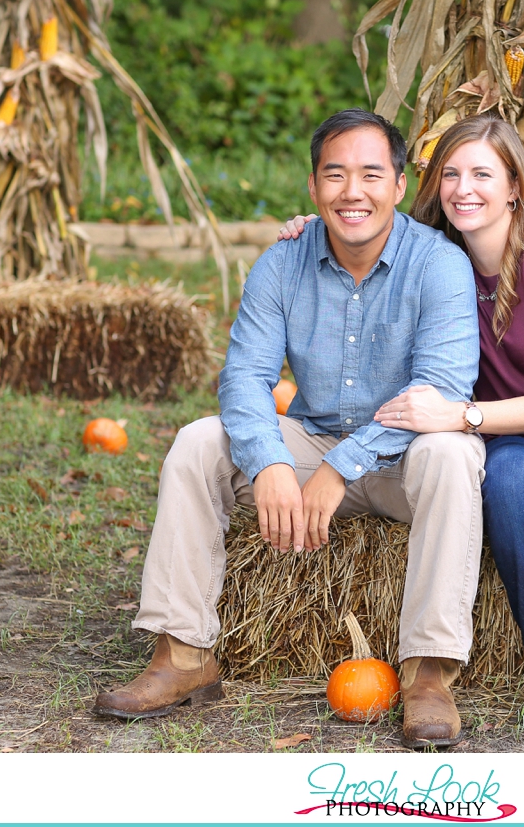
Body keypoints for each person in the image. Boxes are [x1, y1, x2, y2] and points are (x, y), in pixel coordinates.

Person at [92, 109, 487, 750]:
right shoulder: (282, 263)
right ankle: (183, 656)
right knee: (198, 442)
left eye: (369, 175)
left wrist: (339, 469)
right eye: (335, 175)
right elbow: (244, 377)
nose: (351, 192)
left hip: (402, 459)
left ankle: (427, 674)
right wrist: (271, 461)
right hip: (310, 437)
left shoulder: (438, 265)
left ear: (397, 183)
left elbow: (438, 391)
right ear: (313, 187)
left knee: (453, 455)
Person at [280, 114, 524, 733]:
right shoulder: (443, 260)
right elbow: (365, 231)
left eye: (483, 174)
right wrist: (309, 233)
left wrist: (460, 415)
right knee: (507, 487)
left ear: (515, 186)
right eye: (452, 174)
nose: (465, 188)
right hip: (521, 442)